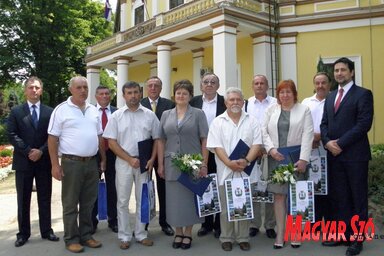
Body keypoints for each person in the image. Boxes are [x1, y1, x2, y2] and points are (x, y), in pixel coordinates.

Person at [320, 57, 374, 256]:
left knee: (357, 198)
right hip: (334, 156)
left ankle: (357, 240)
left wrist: (339, 144)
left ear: (351, 72)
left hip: (355, 156)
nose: (339, 73)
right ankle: (343, 235)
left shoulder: (363, 94)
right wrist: (327, 142)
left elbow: (363, 124)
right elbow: (324, 124)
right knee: (339, 197)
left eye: (343, 70)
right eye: (336, 70)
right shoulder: (330, 96)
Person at [47, 76, 106, 253]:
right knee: (71, 203)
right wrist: (55, 165)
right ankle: (71, 238)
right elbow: (52, 139)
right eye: (79, 87)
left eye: (85, 87)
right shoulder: (61, 110)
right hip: (71, 163)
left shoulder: (93, 110)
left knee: (88, 202)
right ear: (71, 89)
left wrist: (103, 159)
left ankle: (86, 235)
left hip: (91, 163)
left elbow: (99, 137)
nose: (83, 90)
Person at [103, 81, 160, 250]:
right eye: (129, 93)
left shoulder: (150, 115)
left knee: (142, 199)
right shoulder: (117, 116)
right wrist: (128, 159)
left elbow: (157, 139)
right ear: (123, 95)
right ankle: (125, 235)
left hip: (144, 163)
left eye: (136, 92)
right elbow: (111, 142)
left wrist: (152, 159)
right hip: (123, 162)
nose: (133, 96)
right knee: (122, 200)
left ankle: (141, 234)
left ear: (140, 94)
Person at [207, 87, 262, 252]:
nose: (235, 102)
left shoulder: (252, 121)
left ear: (243, 102)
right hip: (226, 171)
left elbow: (256, 144)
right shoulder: (218, 121)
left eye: (238, 99)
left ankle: (243, 237)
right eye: (231, 100)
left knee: (245, 205)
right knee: (225, 208)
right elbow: (216, 147)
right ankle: (226, 237)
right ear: (226, 103)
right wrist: (229, 163)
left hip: (247, 170)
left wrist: (246, 161)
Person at [7, 76, 59, 247]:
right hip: (24, 162)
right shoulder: (16, 112)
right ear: (25, 90)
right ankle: (23, 233)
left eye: (37, 87)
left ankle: (46, 230)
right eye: (31, 87)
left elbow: (53, 135)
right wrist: (29, 151)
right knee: (23, 199)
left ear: (41, 90)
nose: (34, 90)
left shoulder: (50, 112)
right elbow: (12, 134)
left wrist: (41, 151)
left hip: (44, 162)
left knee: (45, 197)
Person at [157, 79, 209, 250]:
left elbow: (204, 139)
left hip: (192, 163)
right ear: (174, 95)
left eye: (184, 93)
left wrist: (203, 164)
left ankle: (188, 233)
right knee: (173, 201)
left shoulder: (198, 114)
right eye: (178, 93)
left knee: (189, 200)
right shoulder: (166, 114)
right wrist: (161, 164)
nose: (181, 96)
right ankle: (178, 231)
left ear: (190, 96)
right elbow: (161, 140)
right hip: (171, 163)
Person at [262, 79, 313, 249]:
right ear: (278, 95)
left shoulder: (304, 110)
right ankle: (280, 233)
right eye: (281, 92)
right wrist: (270, 149)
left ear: (294, 93)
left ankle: (296, 232)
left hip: (296, 158)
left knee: (297, 196)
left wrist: (304, 159)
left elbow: (308, 134)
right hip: (276, 157)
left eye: (288, 92)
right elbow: (263, 132)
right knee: (279, 196)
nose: (285, 95)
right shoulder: (271, 110)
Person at [189, 72, 226, 238]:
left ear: (218, 86)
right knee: (203, 186)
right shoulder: (194, 102)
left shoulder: (225, 102)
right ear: (201, 86)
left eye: (213, 82)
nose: (209, 84)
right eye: (206, 82)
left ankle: (219, 224)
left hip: (221, 150)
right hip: (199, 150)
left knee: (219, 185)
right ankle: (206, 223)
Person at [141, 76, 175, 236]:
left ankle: (165, 222)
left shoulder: (169, 105)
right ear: (146, 88)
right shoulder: (139, 104)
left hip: (165, 151)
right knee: (144, 188)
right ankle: (144, 223)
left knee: (164, 189)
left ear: (161, 88)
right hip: (144, 152)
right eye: (150, 85)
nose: (153, 88)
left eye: (156, 85)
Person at [245, 74, 277, 239]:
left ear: (267, 86)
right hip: (251, 152)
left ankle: (270, 225)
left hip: (271, 151)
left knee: (271, 187)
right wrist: (254, 150)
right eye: (256, 83)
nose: (259, 86)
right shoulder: (246, 104)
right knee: (254, 188)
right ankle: (254, 224)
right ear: (252, 86)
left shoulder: (275, 103)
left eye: (262, 83)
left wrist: (267, 148)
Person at [302, 72, 332, 225]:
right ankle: (314, 223)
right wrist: (310, 139)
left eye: (324, 82)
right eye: (317, 83)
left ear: (329, 84)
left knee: (328, 188)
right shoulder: (306, 102)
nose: (320, 86)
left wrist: (320, 136)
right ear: (314, 85)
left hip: (328, 150)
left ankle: (329, 222)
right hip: (310, 150)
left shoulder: (334, 100)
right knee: (313, 186)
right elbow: (301, 124)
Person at [91, 86, 118, 233]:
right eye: (101, 93)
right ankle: (92, 221)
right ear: (96, 96)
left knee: (113, 188)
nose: (104, 96)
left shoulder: (117, 111)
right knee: (92, 188)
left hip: (113, 154)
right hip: (93, 154)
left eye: (107, 93)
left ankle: (113, 220)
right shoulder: (89, 111)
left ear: (111, 96)